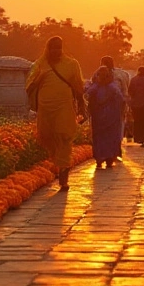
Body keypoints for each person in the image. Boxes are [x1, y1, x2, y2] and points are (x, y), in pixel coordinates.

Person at [26, 36, 86, 190]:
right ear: (48, 48)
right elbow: (29, 85)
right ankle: (58, 165)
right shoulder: (40, 65)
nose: (56, 51)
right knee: (48, 138)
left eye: (59, 47)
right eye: (53, 47)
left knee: (65, 138)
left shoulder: (72, 64)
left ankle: (64, 176)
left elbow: (78, 87)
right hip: (45, 109)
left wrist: (82, 107)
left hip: (64, 108)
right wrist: (38, 80)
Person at [86, 65, 127, 169]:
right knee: (104, 138)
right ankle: (103, 159)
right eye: (101, 76)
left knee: (107, 138)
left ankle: (106, 159)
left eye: (105, 76)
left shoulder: (112, 88)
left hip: (109, 119)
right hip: (102, 120)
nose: (103, 78)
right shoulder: (98, 88)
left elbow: (121, 101)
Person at [101, 56, 131, 143]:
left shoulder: (119, 74)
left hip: (114, 102)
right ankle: (116, 139)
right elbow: (126, 88)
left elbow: (125, 88)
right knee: (119, 120)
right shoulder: (122, 74)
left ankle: (114, 140)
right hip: (116, 101)